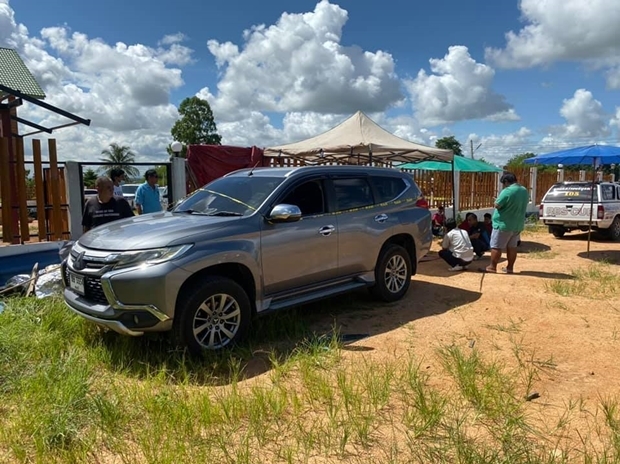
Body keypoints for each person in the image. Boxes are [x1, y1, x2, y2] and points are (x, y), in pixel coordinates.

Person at [482, 172, 529, 274]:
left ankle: (492, 267)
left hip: (503, 224)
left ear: (506, 182)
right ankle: (510, 268)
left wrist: (495, 201)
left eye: (504, 183)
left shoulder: (507, 191)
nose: (503, 185)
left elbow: (498, 205)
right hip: (517, 224)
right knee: (512, 247)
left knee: (496, 246)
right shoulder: (524, 190)